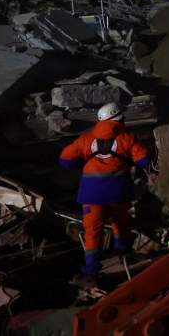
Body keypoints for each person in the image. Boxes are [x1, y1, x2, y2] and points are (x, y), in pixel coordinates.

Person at [58, 102, 153, 284]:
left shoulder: (86, 139)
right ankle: (123, 255)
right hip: (118, 192)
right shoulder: (127, 137)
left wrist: (86, 163)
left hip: (91, 194)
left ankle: (91, 271)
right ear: (119, 118)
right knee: (121, 223)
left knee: (93, 231)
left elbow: (65, 160)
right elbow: (143, 161)